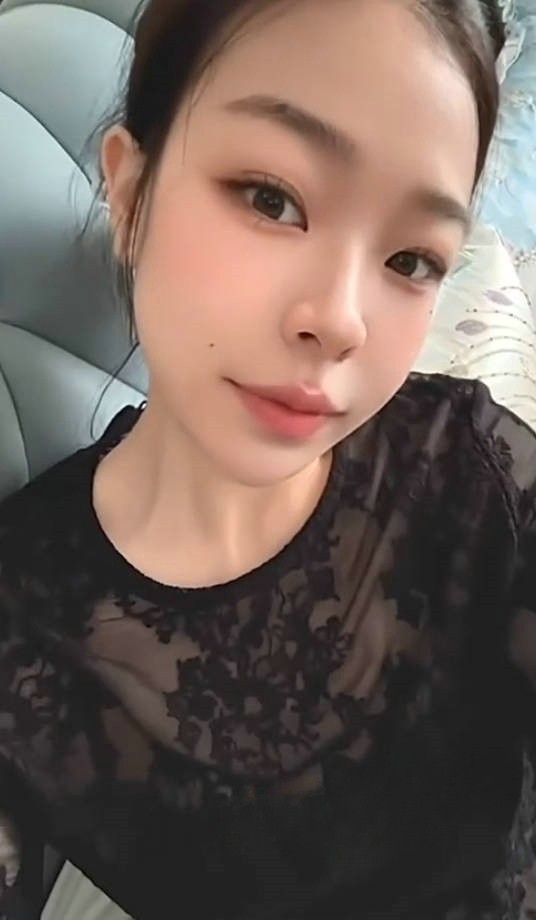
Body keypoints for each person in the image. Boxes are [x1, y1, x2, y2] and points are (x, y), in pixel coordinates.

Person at [0, 0, 531, 917]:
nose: (341, 320)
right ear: (129, 192)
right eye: (271, 198)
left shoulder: (471, 472)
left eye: (412, 260)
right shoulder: (22, 623)